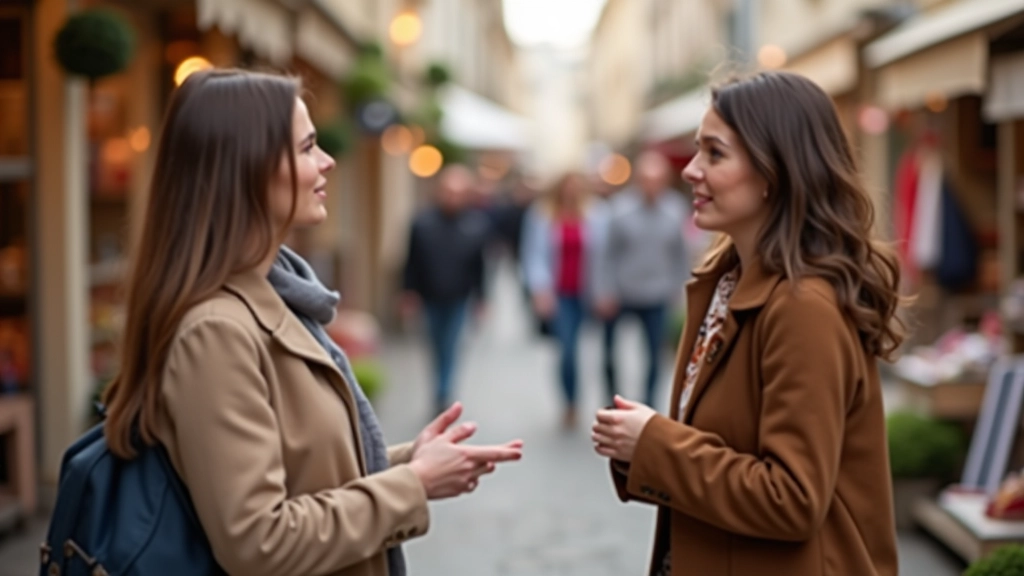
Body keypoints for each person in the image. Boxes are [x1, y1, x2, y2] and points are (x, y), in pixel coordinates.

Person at [101, 69, 523, 576]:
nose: (326, 163)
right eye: (306, 149)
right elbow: (259, 542)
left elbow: (303, 473)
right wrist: (413, 486)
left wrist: (413, 461)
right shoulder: (217, 331)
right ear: (248, 169)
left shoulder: (281, 297)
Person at [592, 71, 902, 575]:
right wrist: (642, 451)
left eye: (715, 154)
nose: (691, 170)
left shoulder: (803, 307)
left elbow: (792, 497)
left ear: (773, 171)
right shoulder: (724, 281)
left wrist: (654, 442)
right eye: (697, 151)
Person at [594, 151, 689, 409]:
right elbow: (606, 255)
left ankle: (647, 404)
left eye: (657, 179)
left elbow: (681, 255)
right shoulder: (619, 210)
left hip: (657, 293)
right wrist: (604, 290)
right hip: (622, 291)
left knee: (655, 355)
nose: (651, 185)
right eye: (647, 179)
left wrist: (679, 290)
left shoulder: (675, 209)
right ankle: (613, 399)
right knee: (610, 351)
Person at [401, 165, 492, 416]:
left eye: (458, 192)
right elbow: (411, 261)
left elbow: (480, 266)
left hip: (459, 297)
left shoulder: (475, 225)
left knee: (451, 345)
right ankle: (439, 388)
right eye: (448, 191)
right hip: (429, 296)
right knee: (434, 345)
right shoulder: (422, 223)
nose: (452, 197)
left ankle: (443, 393)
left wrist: (482, 299)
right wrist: (408, 292)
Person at [521, 172, 608, 429]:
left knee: (597, 349)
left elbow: (606, 255)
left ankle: (610, 400)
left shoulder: (598, 214)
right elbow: (532, 254)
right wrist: (539, 290)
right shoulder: (541, 215)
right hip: (559, 294)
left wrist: (606, 290)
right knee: (567, 350)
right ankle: (570, 401)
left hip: (589, 292)